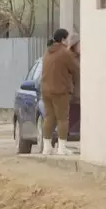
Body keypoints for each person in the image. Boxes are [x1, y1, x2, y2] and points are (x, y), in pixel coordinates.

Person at [40, 28, 80, 156]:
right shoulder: (64, 53)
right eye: (67, 39)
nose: (68, 41)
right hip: (60, 90)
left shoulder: (47, 52)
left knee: (49, 118)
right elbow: (75, 69)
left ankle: (47, 148)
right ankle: (61, 148)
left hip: (45, 91)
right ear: (63, 39)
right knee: (63, 118)